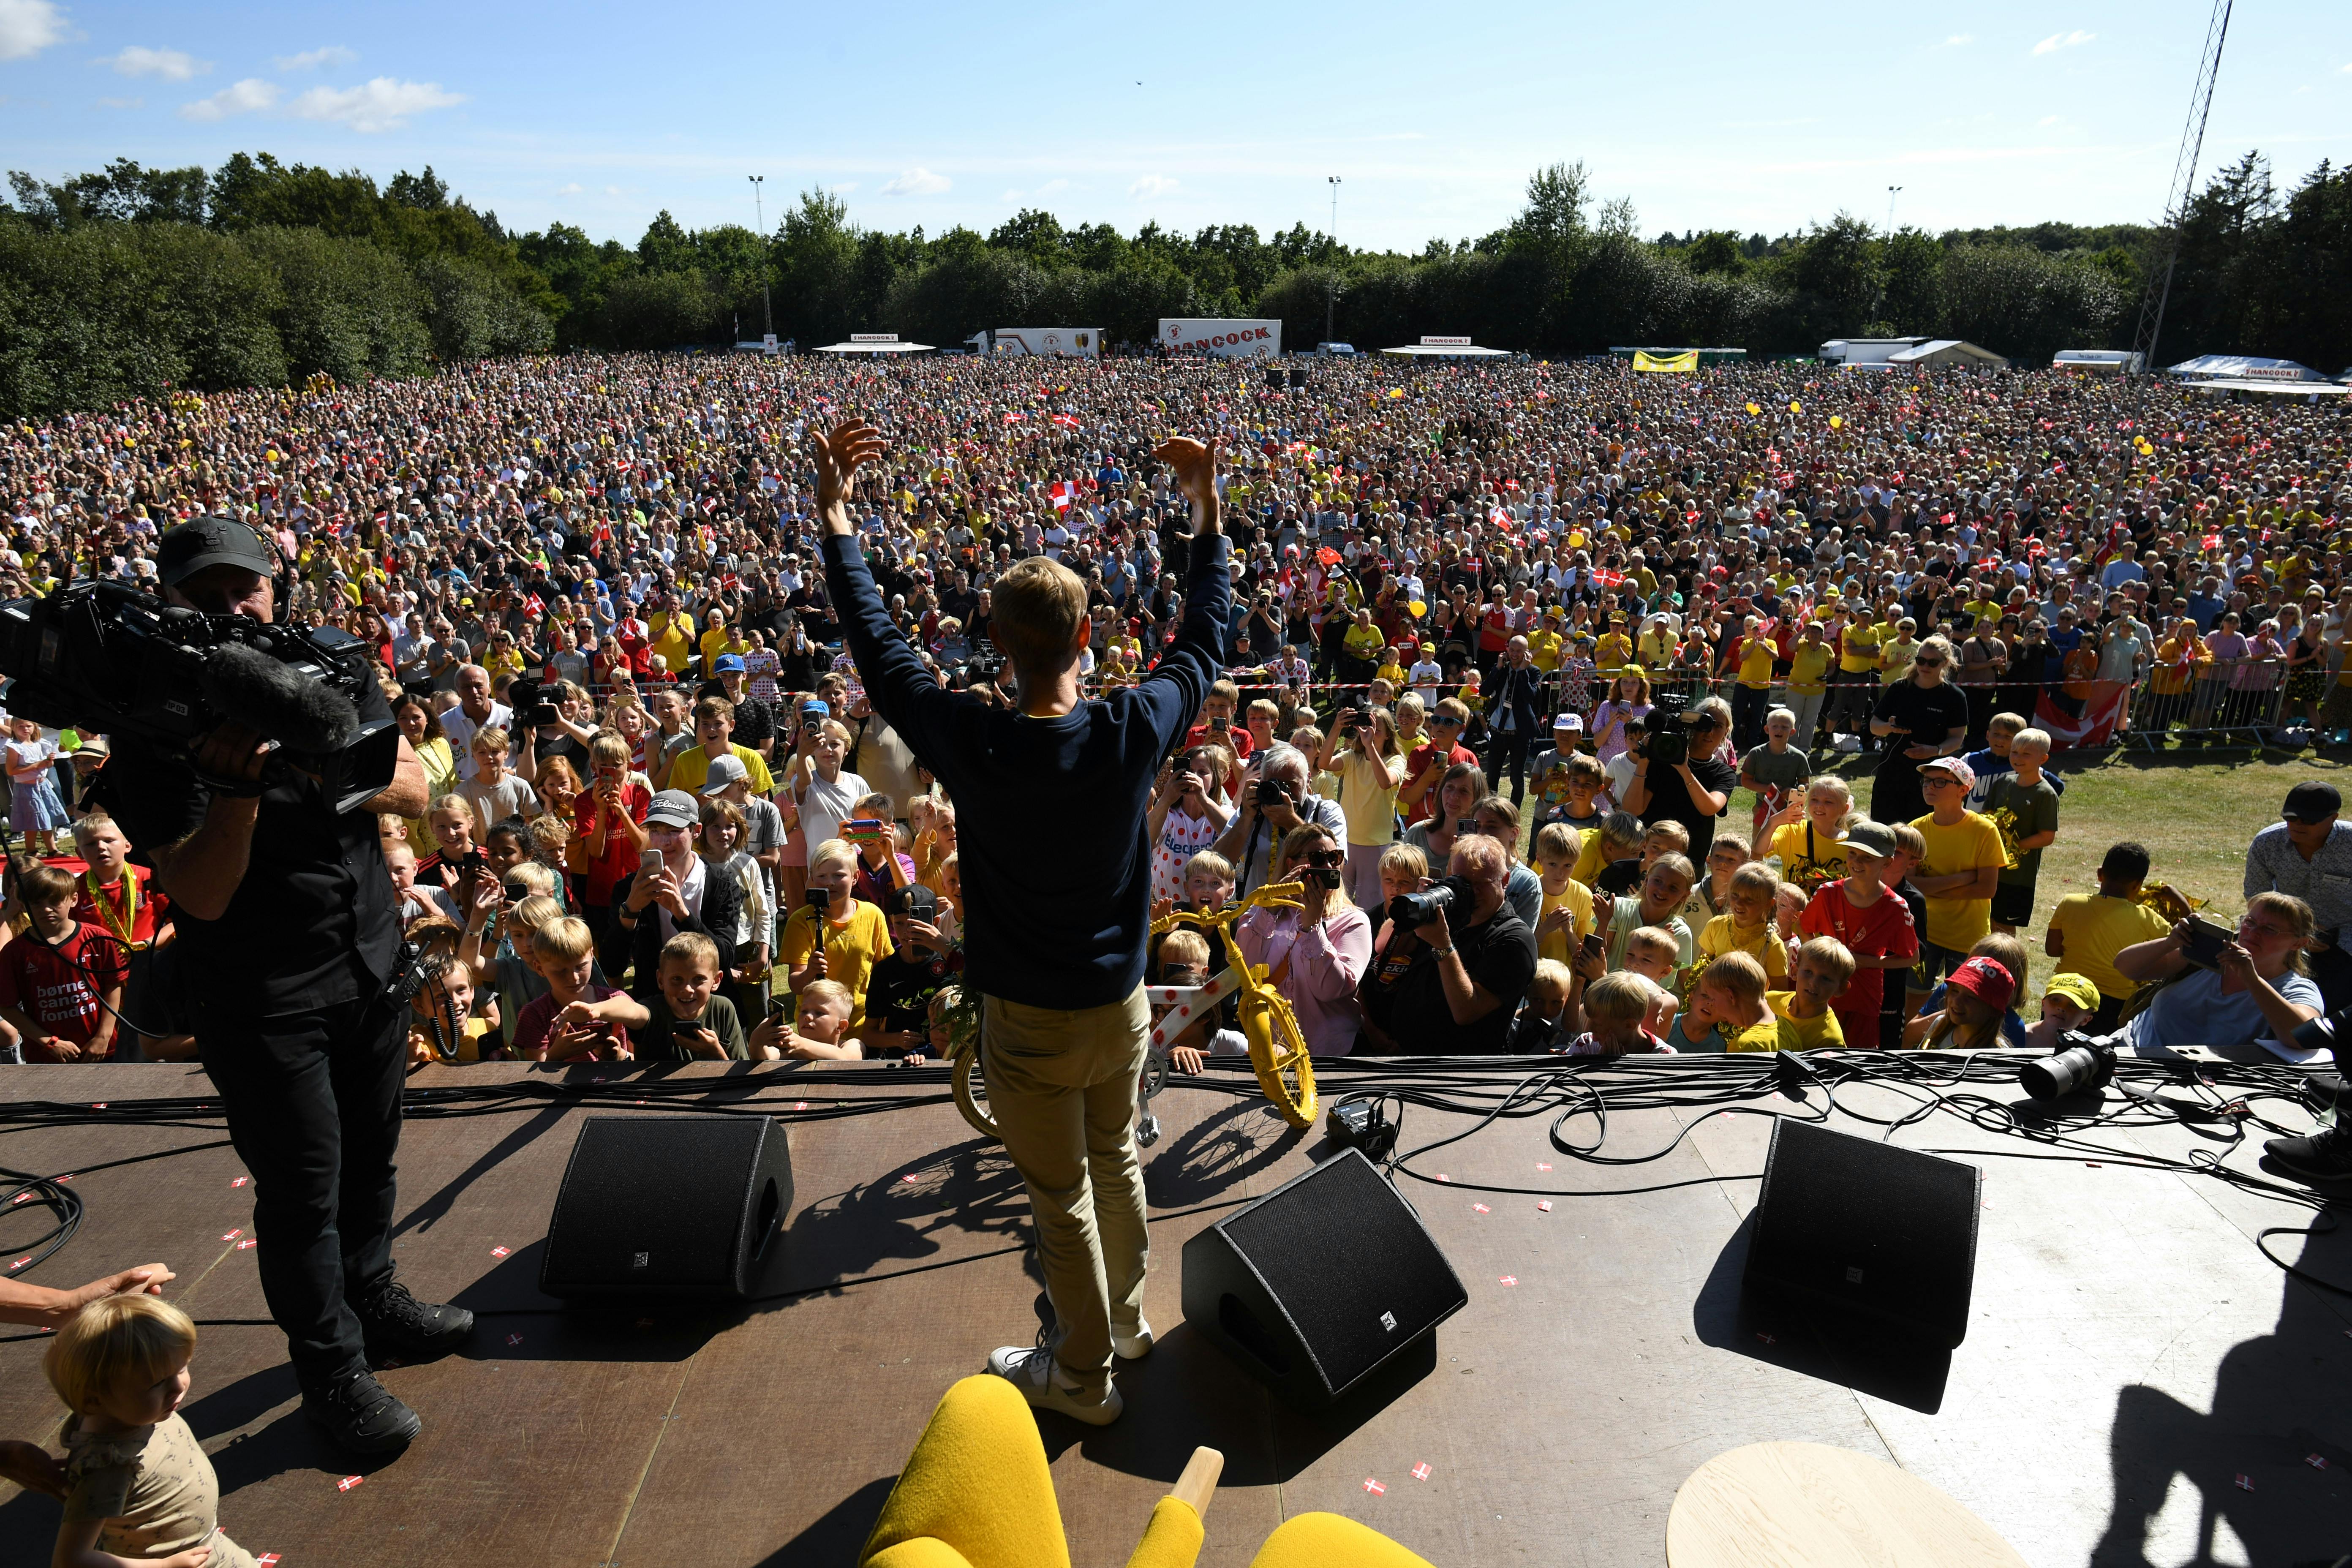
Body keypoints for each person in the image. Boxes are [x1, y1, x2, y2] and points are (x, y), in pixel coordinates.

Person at [815, 418, 1230, 1427]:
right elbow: (1206, 639)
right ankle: (1124, 1327)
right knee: (1117, 1164)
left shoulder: (973, 738)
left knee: (1062, 1200)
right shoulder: (1135, 727)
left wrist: (836, 520)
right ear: (1087, 638)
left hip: (1029, 1023)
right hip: (1120, 1005)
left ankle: (1082, 1377)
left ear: (993, 642)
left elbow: (880, 651)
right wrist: (1206, 511)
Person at [93, 517, 464, 1455]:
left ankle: (374, 1298)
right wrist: (241, 791)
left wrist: (323, 750)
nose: (230, 606)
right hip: (262, 995)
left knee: (373, 1156)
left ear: (274, 587)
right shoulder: (153, 728)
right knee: (303, 1189)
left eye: (245, 586)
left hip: (370, 958)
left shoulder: (332, 661)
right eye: (205, 591)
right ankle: (331, 1373)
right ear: (171, 600)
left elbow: (415, 789)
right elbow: (203, 892)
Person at [37, 1293, 262, 1568]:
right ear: (95, 1399)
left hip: (206, 1545)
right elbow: (70, 1560)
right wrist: (165, 1566)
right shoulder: (109, 1465)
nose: (179, 1387)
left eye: (182, 1368)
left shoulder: (133, 1410)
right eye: (157, 1383)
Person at [1356, 834, 1535, 1055]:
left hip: (1454, 1070)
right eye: (1463, 883)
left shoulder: (1514, 940)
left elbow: (1466, 1011)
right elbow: (1383, 947)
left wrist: (1444, 947)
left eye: (1481, 884)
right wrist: (1417, 907)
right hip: (1406, 1055)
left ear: (1505, 880)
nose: (1472, 893)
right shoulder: (1450, 910)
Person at [1234, 822, 1372, 1056]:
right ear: (1292, 864)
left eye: (1335, 858)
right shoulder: (1260, 913)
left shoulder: (1354, 921)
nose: (1328, 866)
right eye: (1318, 858)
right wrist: (1271, 907)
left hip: (1330, 1052)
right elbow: (1246, 968)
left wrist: (1312, 926)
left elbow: (1332, 990)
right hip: (1274, 1050)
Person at [1798, 820, 1919, 1053]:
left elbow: (1911, 958)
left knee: (1856, 1057)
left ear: (1888, 862)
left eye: (1868, 858)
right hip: (1820, 991)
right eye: (1853, 853)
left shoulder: (1896, 907)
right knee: (1812, 1053)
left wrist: (1862, 962)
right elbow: (1802, 926)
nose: (1857, 862)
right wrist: (1822, 959)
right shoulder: (1827, 893)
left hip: (1864, 996)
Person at [2243, 780, 2352, 1010]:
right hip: (2285, 934)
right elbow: (2256, 896)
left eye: (2309, 820)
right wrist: (2298, 934)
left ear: (2333, 818)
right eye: (2291, 818)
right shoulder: (2267, 843)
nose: (2297, 825)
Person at [1906, 756, 2006, 1007]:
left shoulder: (1984, 831)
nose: (1929, 786)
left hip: (1967, 936)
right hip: (1924, 933)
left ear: (1963, 789)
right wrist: (1962, 879)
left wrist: (1931, 888)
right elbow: (1908, 884)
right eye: (1927, 780)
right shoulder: (1916, 829)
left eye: (1941, 782)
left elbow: (1986, 888)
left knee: (1963, 1003)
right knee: (1914, 998)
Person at [2046, 842, 2175, 1033]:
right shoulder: (2145, 917)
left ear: (2100, 873)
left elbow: (2052, 950)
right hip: (2115, 1004)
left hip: (2065, 994)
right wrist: (2178, 900)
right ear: (2138, 885)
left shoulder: (2070, 903)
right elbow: (2185, 937)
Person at [1868, 632, 1970, 827]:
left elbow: (1957, 739)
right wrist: (1889, 727)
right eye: (1921, 660)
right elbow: (1874, 726)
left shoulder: (1955, 697)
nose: (1925, 666)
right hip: (1892, 770)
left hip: (1932, 776)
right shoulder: (1900, 688)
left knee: (1920, 833)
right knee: (1883, 830)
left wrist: (1934, 750)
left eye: (1933, 663)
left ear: (1945, 663)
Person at [1621, 694, 1738, 862]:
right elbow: (1633, 809)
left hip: (1692, 858)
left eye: (1718, 726)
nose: (1710, 732)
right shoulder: (1662, 761)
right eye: (1705, 725)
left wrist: (1684, 770)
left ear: (1726, 731)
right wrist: (1643, 762)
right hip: (1653, 856)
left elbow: (1709, 808)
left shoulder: (1723, 773)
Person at [1982, 727, 2058, 936]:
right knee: (1985, 919)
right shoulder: (2003, 783)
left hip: (2018, 875)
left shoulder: (2045, 794)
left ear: (2043, 758)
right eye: (2015, 752)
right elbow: (1985, 816)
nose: (2018, 758)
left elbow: (2047, 836)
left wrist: (2011, 847)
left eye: (2026, 754)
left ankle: (2006, 964)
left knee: (2004, 927)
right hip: (1991, 869)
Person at [636, 930, 750, 1060]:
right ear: (661, 980)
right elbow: (628, 1009)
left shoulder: (723, 1009)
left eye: (699, 979)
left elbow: (739, 1073)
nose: (688, 989)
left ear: (716, 981)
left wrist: (717, 1054)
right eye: (677, 979)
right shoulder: (653, 1010)